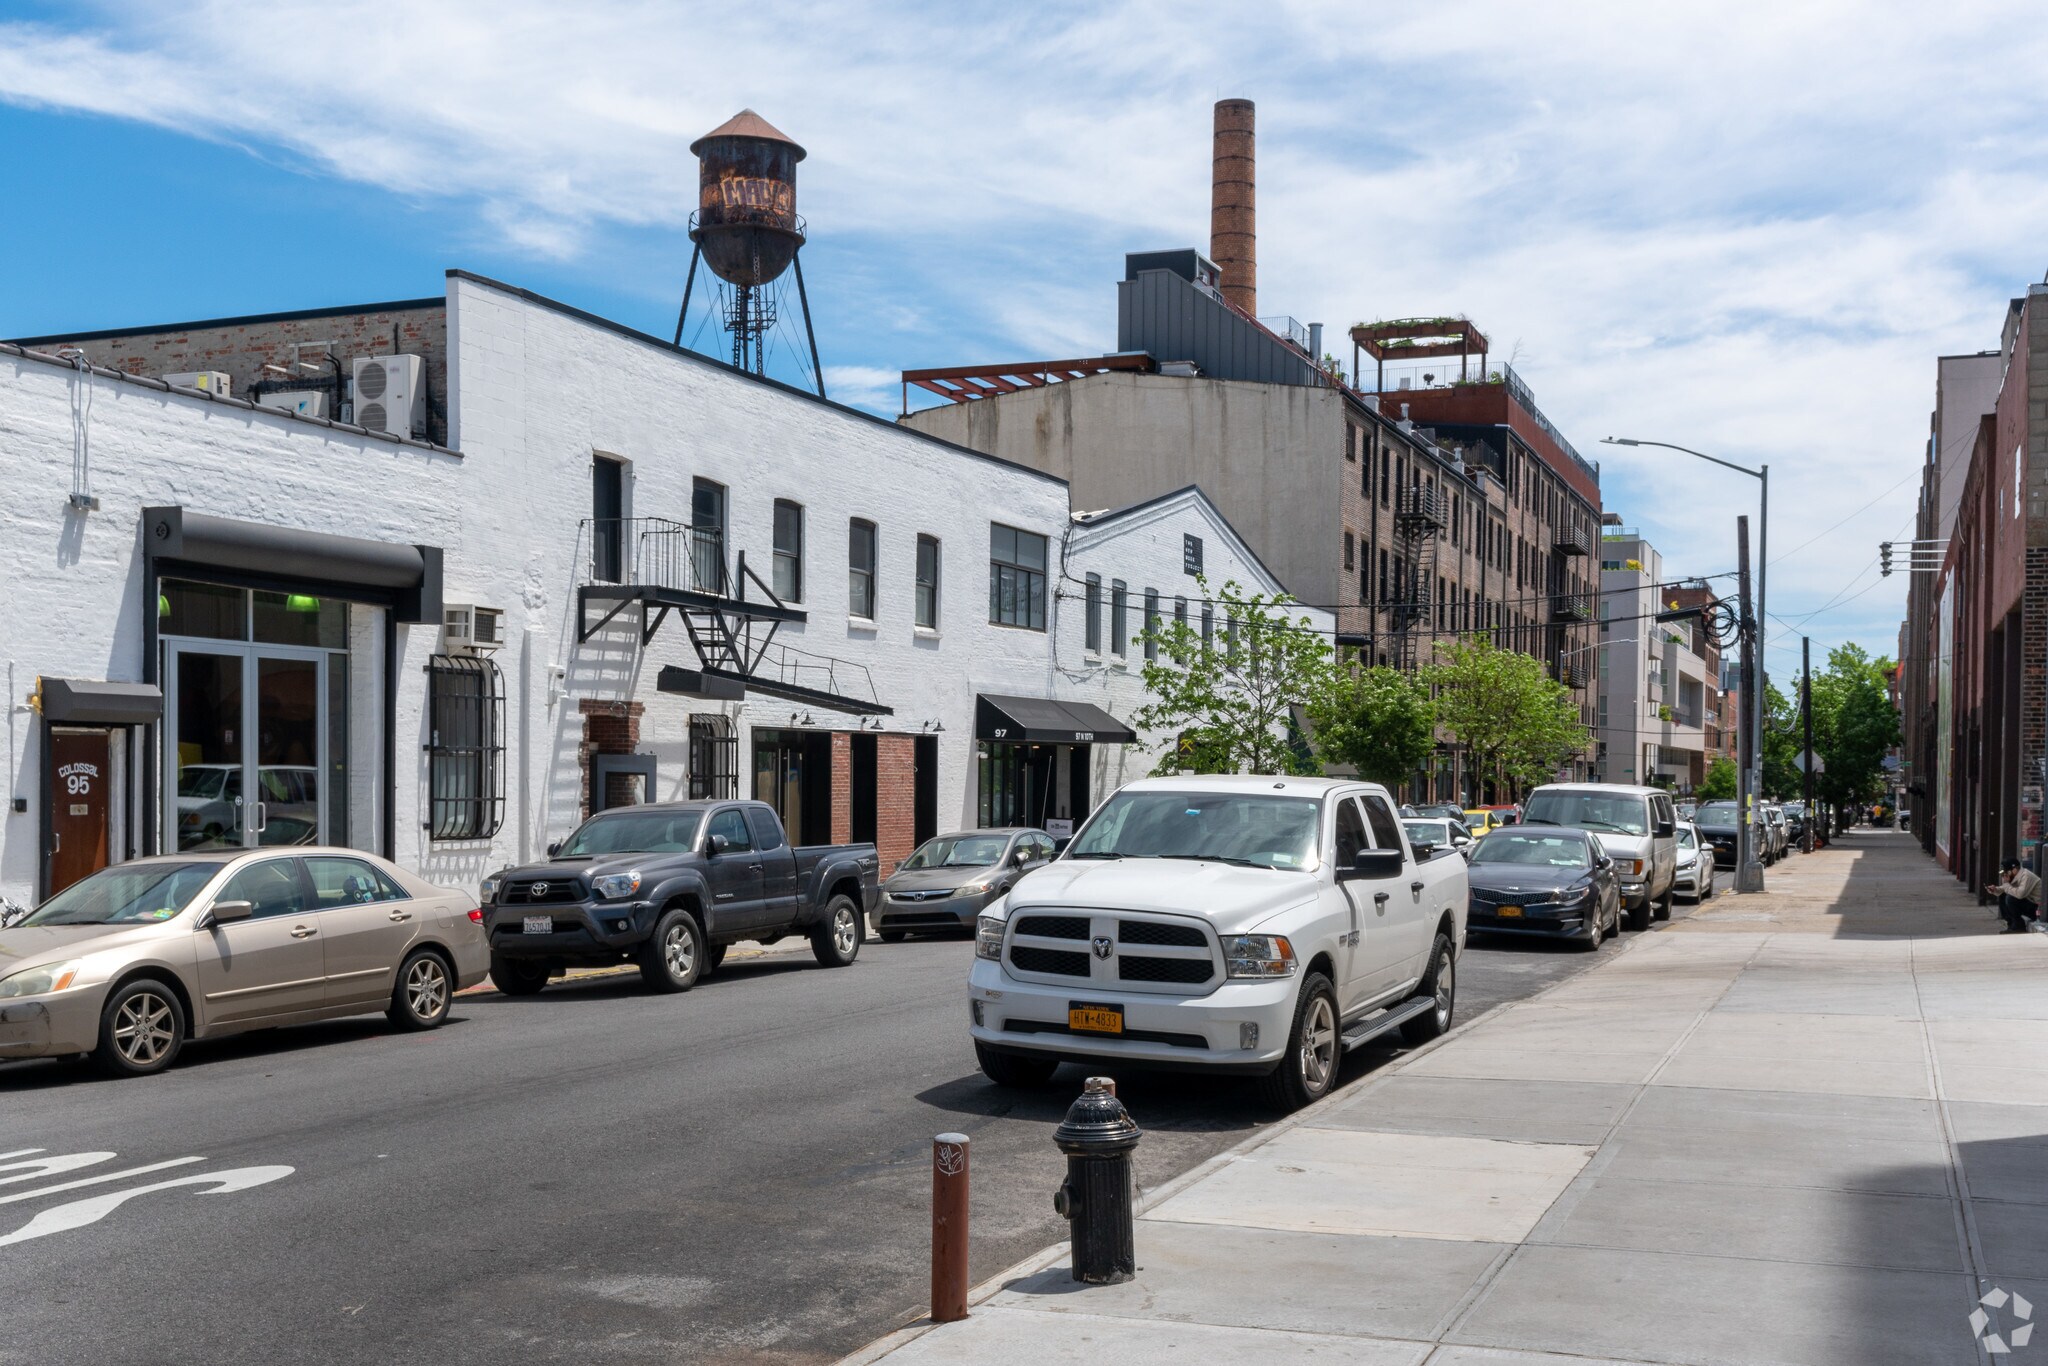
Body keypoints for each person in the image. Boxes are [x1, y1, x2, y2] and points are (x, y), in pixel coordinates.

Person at [1985, 858, 2040, 934]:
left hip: (2038, 909)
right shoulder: (2015, 876)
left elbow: (2020, 894)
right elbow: (2007, 889)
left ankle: (2019, 925)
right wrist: (1995, 889)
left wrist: (2006, 884)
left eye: (2006, 872)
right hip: (2030, 904)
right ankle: (2012, 925)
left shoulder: (2026, 875)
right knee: (2003, 895)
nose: (2005, 874)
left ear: (2014, 869)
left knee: (2010, 898)